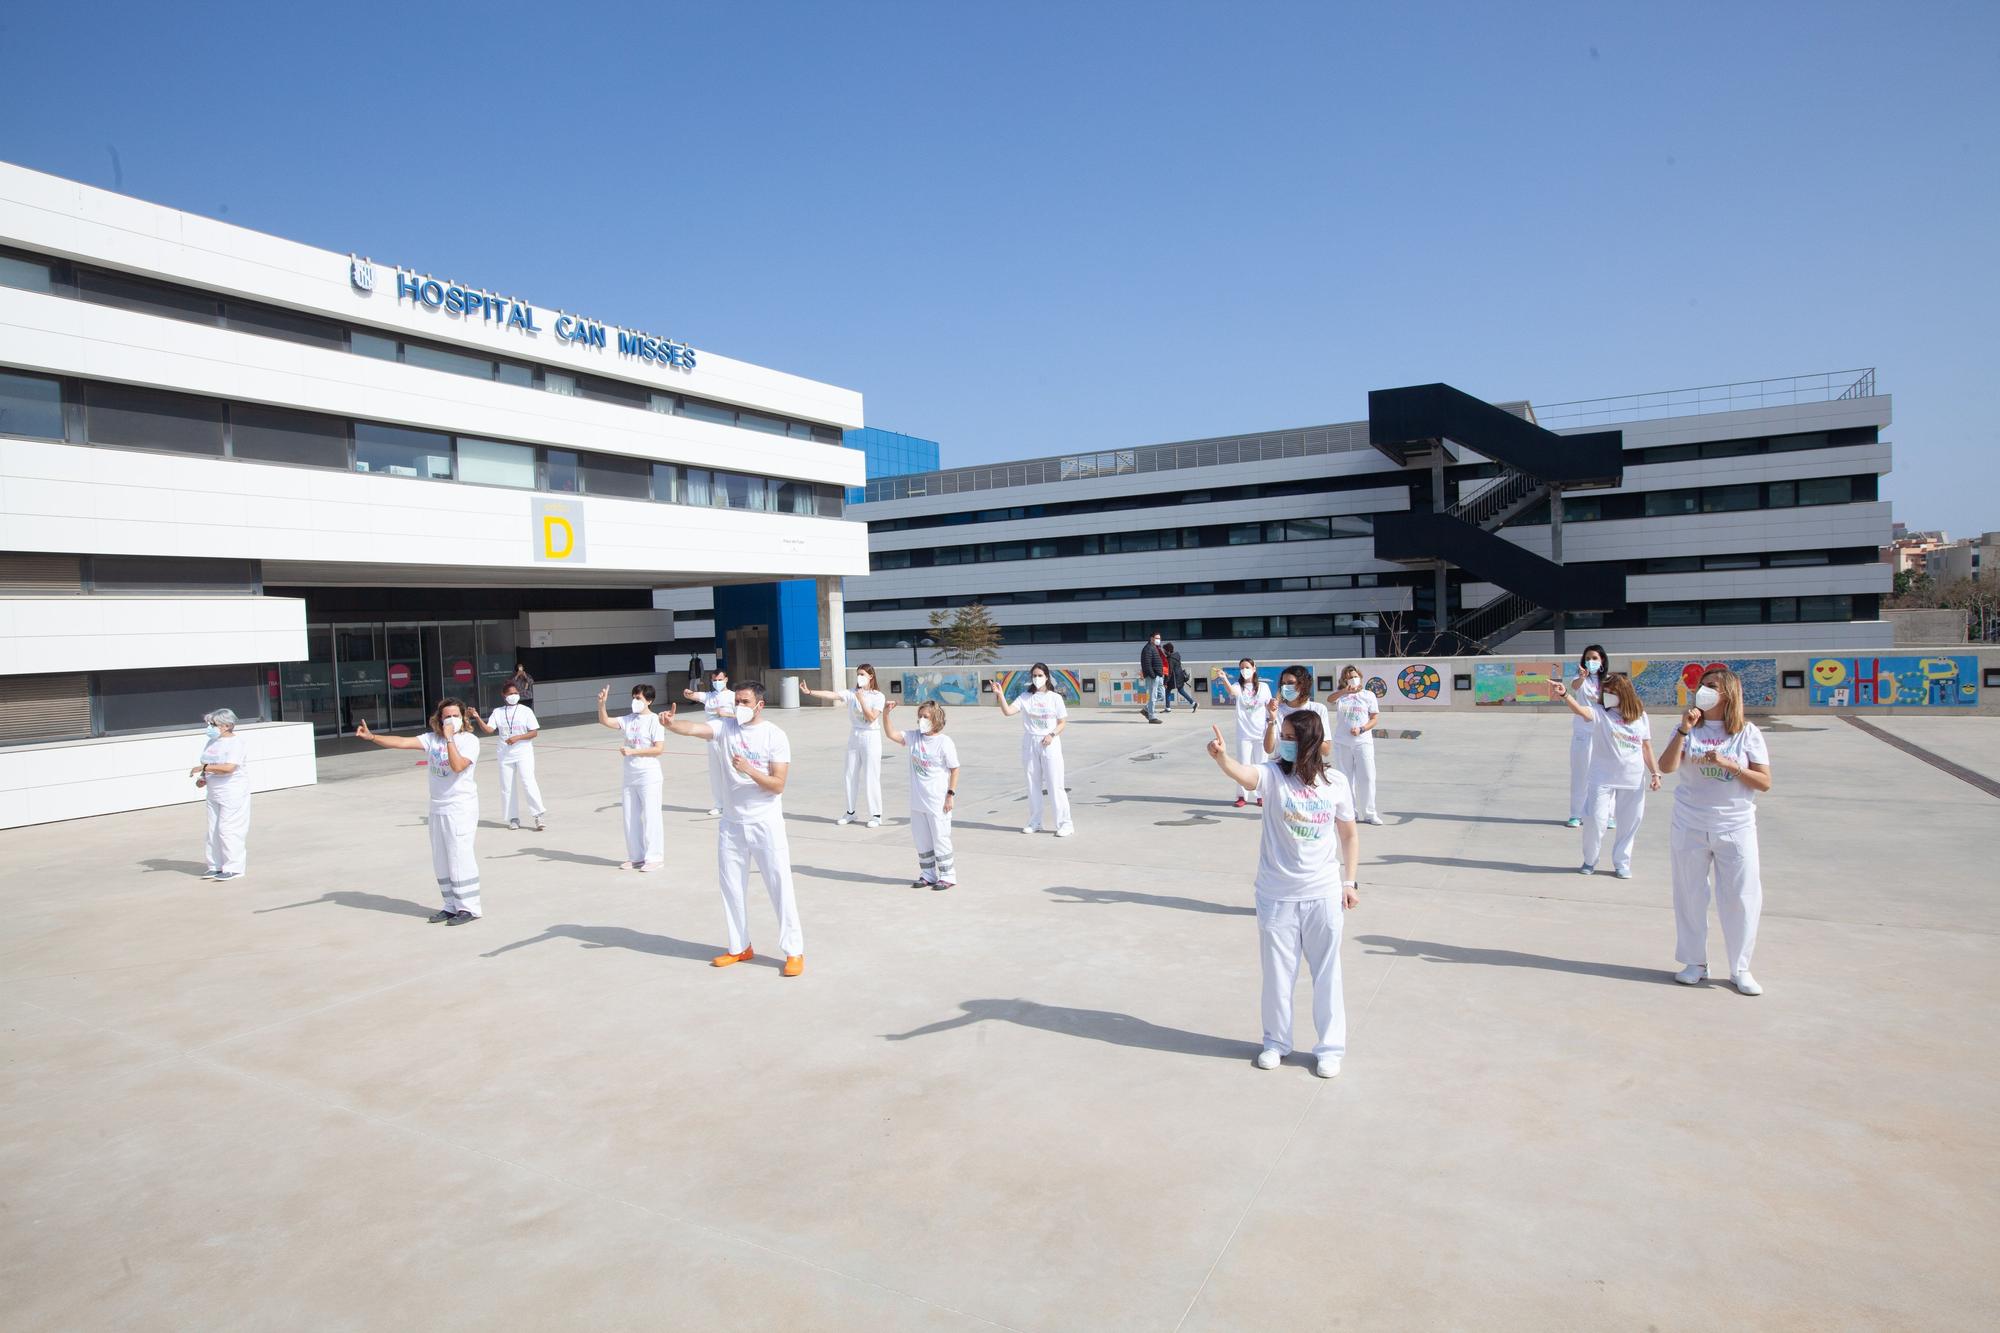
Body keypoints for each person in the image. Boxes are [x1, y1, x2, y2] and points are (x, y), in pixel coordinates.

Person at [1206, 709, 1360, 1077]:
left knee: (1327, 973)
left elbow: (1349, 835)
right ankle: (1276, 1042)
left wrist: (1349, 882)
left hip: (1323, 893)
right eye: (1283, 736)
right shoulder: (1274, 776)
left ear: (1309, 742)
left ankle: (1330, 1049)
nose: (1284, 744)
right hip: (1277, 894)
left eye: (1291, 738)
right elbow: (1246, 774)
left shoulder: (1336, 782)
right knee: (1277, 974)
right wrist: (1222, 758)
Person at [663, 682, 805, 976]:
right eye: (737, 701)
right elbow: (694, 729)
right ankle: (740, 946)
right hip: (731, 824)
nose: (738, 706)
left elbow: (778, 785)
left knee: (779, 885)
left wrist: (750, 770)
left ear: (759, 705)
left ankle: (794, 951)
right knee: (731, 887)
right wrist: (672, 724)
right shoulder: (726, 728)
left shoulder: (774, 735)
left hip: (765, 823)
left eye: (744, 701)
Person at [1657, 667, 1771, 995]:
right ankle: (1695, 962)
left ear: (1728, 694)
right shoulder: (1689, 729)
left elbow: (1764, 782)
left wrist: (1731, 765)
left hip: (1735, 826)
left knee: (1741, 898)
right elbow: (1666, 767)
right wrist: (1682, 729)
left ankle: (1740, 968)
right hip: (1690, 823)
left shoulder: (1746, 733)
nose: (1702, 691)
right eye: (1702, 685)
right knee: (1690, 895)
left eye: (1710, 687)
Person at [355, 698, 482, 924]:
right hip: (437, 807)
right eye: (446, 716)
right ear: (439, 720)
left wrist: (451, 738)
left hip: (460, 807)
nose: (451, 720)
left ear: (464, 718)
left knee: (459, 856)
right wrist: (372, 737)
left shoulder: (469, 740)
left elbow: (458, 766)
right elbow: (402, 742)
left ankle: (469, 908)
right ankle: (450, 906)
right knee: (441, 858)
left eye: (455, 715)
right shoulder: (432, 739)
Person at [1553, 672, 1661, 877]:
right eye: (1606, 692)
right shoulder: (1600, 712)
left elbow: (1646, 747)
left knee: (1630, 822)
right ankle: (1590, 859)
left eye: (1613, 692)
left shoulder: (1640, 716)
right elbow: (1581, 711)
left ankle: (1622, 862)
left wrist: (1655, 773)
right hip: (1602, 777)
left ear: (1624, 694)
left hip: (1632, 778)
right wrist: (1565, 694)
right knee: (1595, 819)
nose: (1608, 695)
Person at [883, 698, 960, 888]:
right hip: (918, 802)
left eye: (925, 716)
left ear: (935, 719)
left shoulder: (944, 742)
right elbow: (891, 734)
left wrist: (950, 794)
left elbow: (955, 769)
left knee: (940, 838)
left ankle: (948, 876)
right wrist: (885, 714)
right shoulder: (914, 737)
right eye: (919, 716)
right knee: (922, 840)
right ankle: (928, 874)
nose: (921, 720)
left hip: (938, 802)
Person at [993, 663, 1073, 837]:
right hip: (1030, 741)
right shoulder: (1025, 697)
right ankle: (1035, 822)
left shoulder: (1055, 698)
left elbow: (1062, 723)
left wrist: (1051, 734)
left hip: (1050, 743)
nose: (1037, 678)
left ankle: (1065, 823)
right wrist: (1000, 695)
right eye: (1034, 675)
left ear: (1047, 676)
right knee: (1032, 784)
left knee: (1055, 784)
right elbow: (1008, 712)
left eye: (1040, 675)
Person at [801, 665, 885, 827]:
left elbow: (871, 718)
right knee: (849, 774)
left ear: (871, 677)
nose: (859, 677)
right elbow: (832, 695)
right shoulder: (851, 693)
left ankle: (876, 815)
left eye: (862, 674)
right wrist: (810, 692)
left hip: (871, 736)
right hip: (855, 735)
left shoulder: (878, 696)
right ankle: (850, 812)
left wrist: (861, 699)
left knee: (871, 776)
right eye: (857, 674)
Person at [597, 683, 664, 871]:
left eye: (639, 698)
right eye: (634, 697)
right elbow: (606, 721)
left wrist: (634, 752)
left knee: (651, 816)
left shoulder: (654, 720)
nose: (635, 701)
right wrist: (602, 704)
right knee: (630, 816)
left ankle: (655, 857)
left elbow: (658, 749)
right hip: (629, 774)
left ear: (649, 700)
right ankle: (636, 856)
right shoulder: (628, 719)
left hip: (648, 774)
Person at [471, 684, 545, 832]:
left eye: (516, 693)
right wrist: (477, 717)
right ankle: (513, 818)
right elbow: (488, 729)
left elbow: (533, 732)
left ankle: (538, 815)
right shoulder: (498, 712)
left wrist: (518, 737)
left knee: (528, 781)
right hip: (505, 754)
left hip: (523, 752)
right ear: (504, 695)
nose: (514, 695)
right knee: (507, 787)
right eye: (511, 693)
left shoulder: (526, 711)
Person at [190, 707, 250, 881]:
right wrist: (203, 777)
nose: (210, 727)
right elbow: (209, 763)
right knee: (213, 830)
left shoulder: (237, 743)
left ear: (226, 725)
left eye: (213, 724)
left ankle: (234, 867)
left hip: (232, 791)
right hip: (214, 791)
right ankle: (215, 865)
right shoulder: (212, 742)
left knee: (229, 829)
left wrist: (204, 768)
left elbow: (229, 767)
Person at [1329, 665, 1383, 825]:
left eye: (1354, 676)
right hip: (1342, 742)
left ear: (1360, 676)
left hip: (1362, 742)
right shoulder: (1342, 696)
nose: (1352, 679)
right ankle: (1349, 812)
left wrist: (1362, 728)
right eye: (1348, 677)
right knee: (1345, 779)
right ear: (1344, 680)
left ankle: (1370, 813)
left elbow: (1374, 718)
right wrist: (1345, 691)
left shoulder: (1369, 695)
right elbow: (1330, 699)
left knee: (1367, 777)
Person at [1219, 657, 1273, 807]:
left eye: (1247, 667)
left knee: (1262, 765)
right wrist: (1224, 678)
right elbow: (1231, 691)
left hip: (1261, 733)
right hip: (1244, 734)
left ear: (1254, 668)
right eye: (1242, 668)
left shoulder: (1263, 687)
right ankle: (1242, 796)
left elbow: (1269, 706)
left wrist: (1272, 723)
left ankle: (1261, 795)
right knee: (1243, 765)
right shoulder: (1238, 686)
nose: (1245, 670)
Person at [1565, 645, 1610, 828]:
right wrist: (1583, 677)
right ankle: (1576, 814)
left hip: (1605, 733)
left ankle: (1608, 814)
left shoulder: (1608, 681)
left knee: (1607, 775)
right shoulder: (1580, 679)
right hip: (1583, 734)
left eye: (1594, 658)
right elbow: (1574, 687)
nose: (1591, 661)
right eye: (1588, 658)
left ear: (1602, 661)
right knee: (1581, 774)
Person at [681, 664, 734, 817]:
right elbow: (694, 695)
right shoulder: (709, 696)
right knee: (715, 773)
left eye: (720, 679)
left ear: (726, 679)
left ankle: (733, 803)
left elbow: (743, 716)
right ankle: (719, 804)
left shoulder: (733, 696)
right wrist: (688, 693)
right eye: (714, 680)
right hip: (711, 739)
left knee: (730, 771)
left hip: (728, 737)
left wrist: (725, 714)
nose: (717, 682)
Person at [1264, 664, 1330, 759]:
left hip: (1308, 765)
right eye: (1283, 683)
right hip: (1282, 766)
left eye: (1290, 683)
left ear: (1303, 684)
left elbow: (1326, 750)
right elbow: (1268, 749)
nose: (1286, 687)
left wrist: (1304, 733)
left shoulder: (1318, 709)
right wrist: (1272, 718)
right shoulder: (1276, 710)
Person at [1139, 633, 1167, 723]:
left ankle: (1146, 709)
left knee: (1162, 695)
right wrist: (1152, 675)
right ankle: (1152, 717)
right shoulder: (1147, 648)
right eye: (1157, 638)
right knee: (1152, 697)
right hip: (1153, 676)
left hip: (1159, 675)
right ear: (1151, 638)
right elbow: (1146, 663)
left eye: (1159, 638)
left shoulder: (1155, 648)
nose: (1159, 640)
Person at [1163, 642, 1197, 713]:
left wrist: (1165, 682)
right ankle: (1193, 703)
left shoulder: (1170, 659)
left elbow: (1169, 672)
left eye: (1165, 650)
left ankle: (1168, 708)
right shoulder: (1176, 655)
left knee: (1167, 690)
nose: (1164, 652)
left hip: (1174, 678)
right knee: (1181, 690)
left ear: (1168, 651)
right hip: (1180, 676)